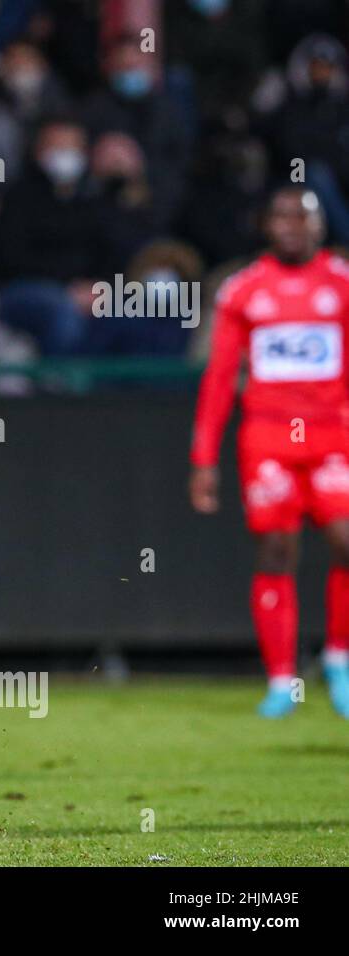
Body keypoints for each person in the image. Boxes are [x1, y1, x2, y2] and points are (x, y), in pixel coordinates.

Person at [190, 187, 349, 719]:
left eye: (301, 216)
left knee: (344, 539)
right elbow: (218, 379)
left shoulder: (342, 284)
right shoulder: (244, 289)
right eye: (280, 216)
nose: (289, 226)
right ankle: (282, 680)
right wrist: (203, 458)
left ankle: (338, 660)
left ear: (320, 226)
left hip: (333, 436)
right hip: (268, 439)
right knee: (277, 549)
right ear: (266, 226)